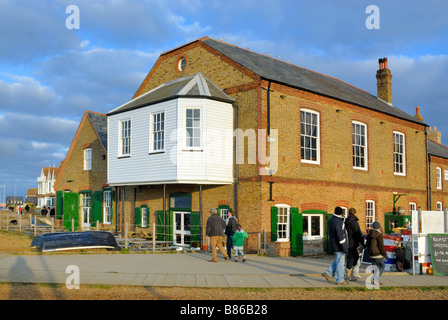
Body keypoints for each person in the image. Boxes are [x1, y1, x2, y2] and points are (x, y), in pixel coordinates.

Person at [322, 206, 349, 285]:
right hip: (339, 245)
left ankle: (329, 272)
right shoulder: (338, 222)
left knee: (338, 260)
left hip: (334, 243)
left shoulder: (331, 220)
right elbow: (340, 235)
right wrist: (344, 246)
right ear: (341, 213)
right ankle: (340, 279)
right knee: (340, 262)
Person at [344, 208, 364, 281]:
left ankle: (351, 274)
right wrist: (362, 243)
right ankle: (349, 275)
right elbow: (357, 233)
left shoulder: (346, 221)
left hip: (347, 242)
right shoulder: (354, 222)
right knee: (353, 258)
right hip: (353, 243)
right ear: (355, 213)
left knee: (353, 258)